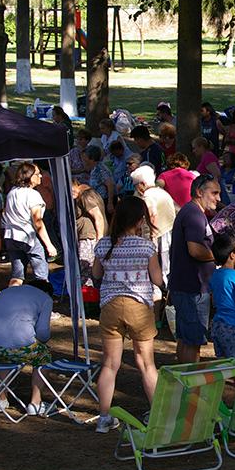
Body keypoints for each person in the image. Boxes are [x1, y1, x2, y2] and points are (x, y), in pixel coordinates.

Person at [92, 197, 162, 434]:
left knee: (110, 364)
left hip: (110, 306)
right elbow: (157, 279)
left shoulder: (103, 245)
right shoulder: (146, 247)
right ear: (140, 220)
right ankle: (156, 413)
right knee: (146, 364)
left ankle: (103, 417)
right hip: (139, 307)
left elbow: (96, 272)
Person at [0, 280, 54, 417]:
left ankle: (0, 400)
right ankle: (36, 403)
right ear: (47, 292)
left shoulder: (5, 292)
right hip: (17, 348)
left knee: (4, 355)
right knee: (43, 356)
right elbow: (43, 333)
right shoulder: (45, 298)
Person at [169, 174, 220, 363]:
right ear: (199, 192)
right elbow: (195, 249)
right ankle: (191, 387)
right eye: (214, 193)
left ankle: (183, 381)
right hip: (192, 287)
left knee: (186, 338)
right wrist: (218, 257)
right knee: (193, 341)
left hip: (189, 285)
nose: (218, 198)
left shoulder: (193, 213)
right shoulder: (193, 215)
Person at [2, 162, 57, 287]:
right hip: (27, 237)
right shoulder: (33, 195)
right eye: (38, 174)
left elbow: (5, 213)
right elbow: (38, 222)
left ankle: (12, 299)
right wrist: (49, 245)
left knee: (17, 275)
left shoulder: (12, 192)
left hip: (11, 237)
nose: (41, 177)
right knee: (41, 275)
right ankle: (41, 298)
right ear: (30, 177)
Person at [131, 165, 176, 318]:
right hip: (168, 234)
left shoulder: (148, 196)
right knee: (166, 271)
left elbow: (152, 215)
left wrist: (149, 239)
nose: (136, 188)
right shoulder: (162, 193)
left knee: (157, 275)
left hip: (157, 238)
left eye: (136, 185)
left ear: (142, 184)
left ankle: (156, 314)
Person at [209, 233, 235, 362]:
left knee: (222, 362)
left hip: (217, 324)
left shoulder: (214, 275)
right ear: (232, 255)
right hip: (234, 325)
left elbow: (213, 299)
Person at [72, 180, 108, 287]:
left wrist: (99, 240)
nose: (71, 192)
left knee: (86, 266)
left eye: (71, 188)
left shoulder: (86, 196)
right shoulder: (85, 194)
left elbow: (99, 217)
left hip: (89, 238)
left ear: (76, 184)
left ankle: (88, 295)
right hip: (88, 237)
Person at [83, 145, 116, 216]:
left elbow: (110, 185)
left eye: (85, 156)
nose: (84, 158)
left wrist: (110, 203)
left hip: (104, 201)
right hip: (97, 200)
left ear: (92, 158)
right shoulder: (93, 168)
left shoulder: (101, 169)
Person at [192, 137, 226, 203]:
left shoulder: (208, 156)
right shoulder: (205, 157)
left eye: (194, 148)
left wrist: (214, 192)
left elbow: (216, 174)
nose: (193, 151)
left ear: (201, 147)